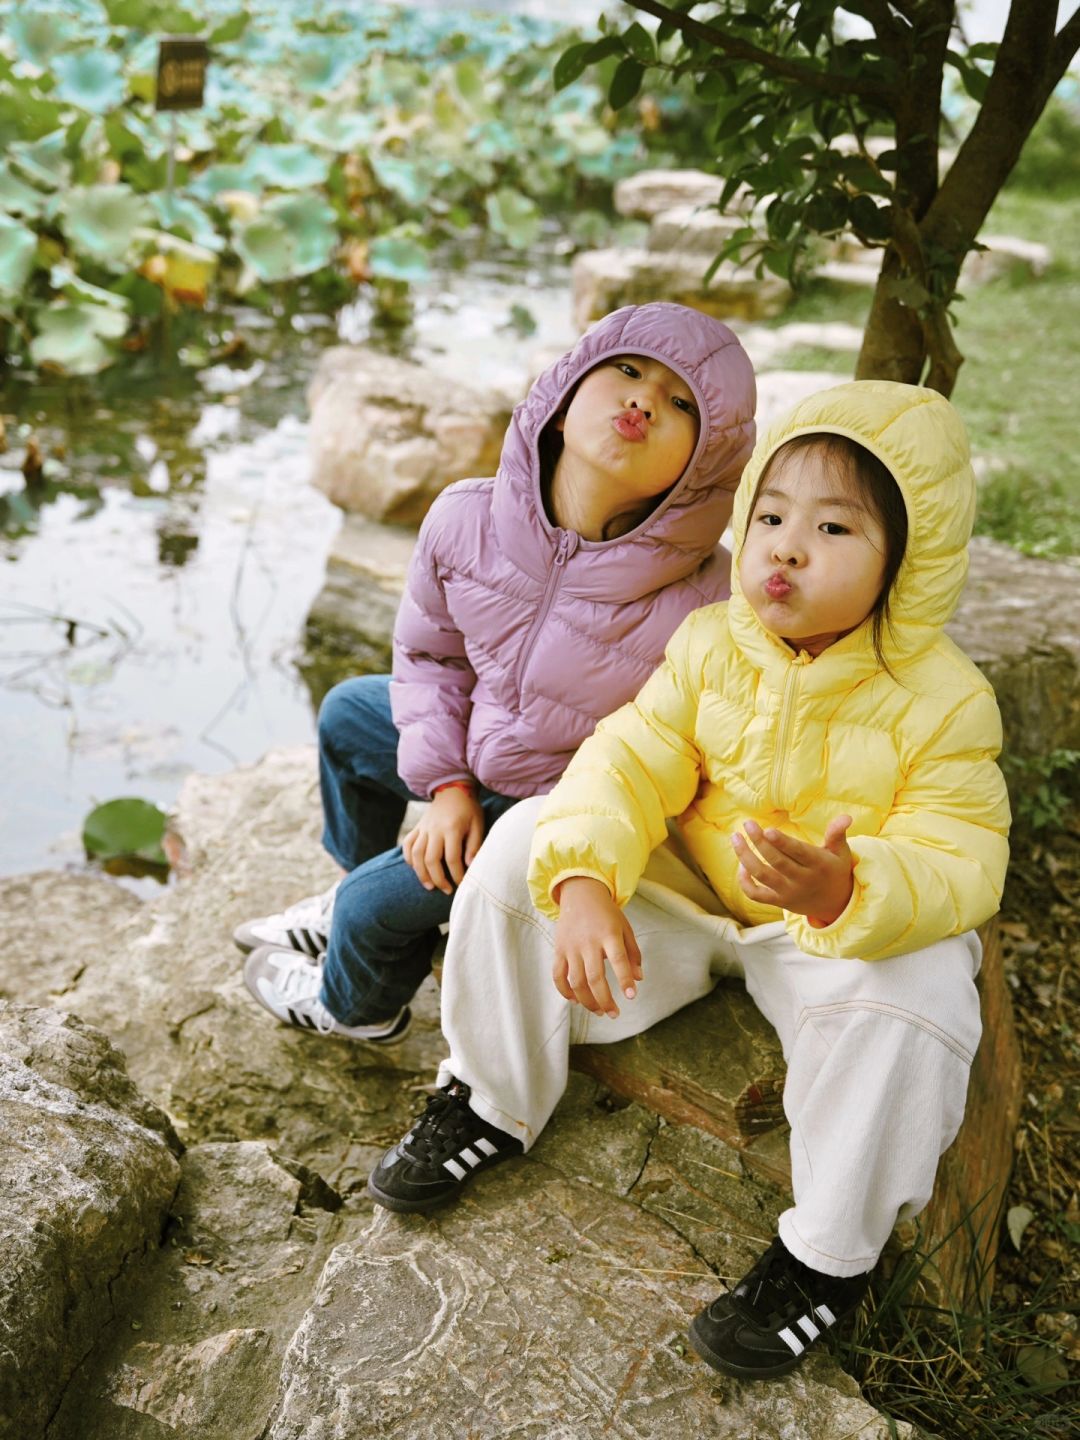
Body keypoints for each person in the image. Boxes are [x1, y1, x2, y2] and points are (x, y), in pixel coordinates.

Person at [367, 379, 1011, 1382]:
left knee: (925, 995)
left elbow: (963, 854)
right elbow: (629, 755)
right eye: (770, 516)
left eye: (834, 527)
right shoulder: (713, 642)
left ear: (908, 561)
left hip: (822, 937)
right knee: (523, 849)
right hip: (689, 898)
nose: (787, 548)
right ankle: (488, 1096)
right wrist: (583, 880)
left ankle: (827, 1258)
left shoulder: (944, 702)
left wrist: (850, 887)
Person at [234, 303, 756, 1043]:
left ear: (704, 466)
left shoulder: (705, 597)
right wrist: (446, 788)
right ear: (568, 389)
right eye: (629, 371)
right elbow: (430, 657)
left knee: (369, 911)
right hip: (481, 747)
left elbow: (691, 757)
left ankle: (358, 1003)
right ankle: (368, 878)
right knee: (349, 715)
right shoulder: (464, 518)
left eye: (680, 405)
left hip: (558, 809)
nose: (643, 401)